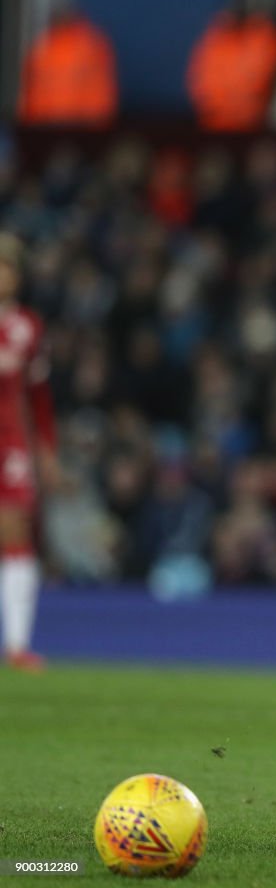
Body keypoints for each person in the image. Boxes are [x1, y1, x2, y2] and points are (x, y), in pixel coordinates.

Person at [0, 234, 60, 672]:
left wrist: (47, 451)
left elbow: (39, 397)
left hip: (10, 441)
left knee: (15, 531)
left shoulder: (28, 327)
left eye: (7, 267)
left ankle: (18, 644)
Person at [186, 0, 276, 132]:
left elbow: (255, 85)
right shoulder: (217, 37)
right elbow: (200, 84)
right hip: (211, 126)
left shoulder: (263, 37)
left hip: (250, 129)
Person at [17, 1, 117, 128]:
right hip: (45, 127)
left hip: (81, 128)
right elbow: (32, 93)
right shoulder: (41, 49)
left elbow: (100, 93)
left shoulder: (91, 45)